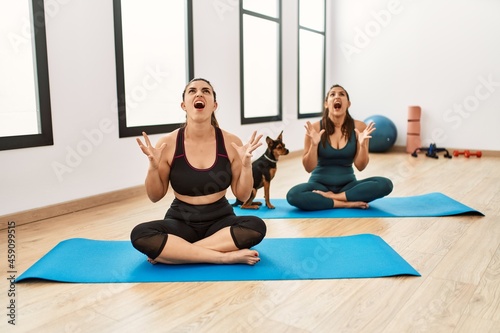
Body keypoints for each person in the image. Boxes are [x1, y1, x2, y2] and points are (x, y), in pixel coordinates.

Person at [131, 78, 266, 265]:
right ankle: (222, 256)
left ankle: (178, 253)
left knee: (256, 226)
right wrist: (153, 168)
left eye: (206, 91)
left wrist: (246, 165)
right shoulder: (168, 143)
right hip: (180, 221)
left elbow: (242, 197)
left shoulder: (230, 142)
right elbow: (155, 196)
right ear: (183, 105)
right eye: (192, 91)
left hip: (220, 221)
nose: (199, 94)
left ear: (214, 105)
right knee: (140, 234)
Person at [286, 84, 393, 211]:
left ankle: (334, 198)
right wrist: (314, 145)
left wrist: (363, 145)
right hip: (318, 186)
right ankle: (345, 203)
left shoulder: (359, 128)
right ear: (326, 104)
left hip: (348, 186)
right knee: (293, 195)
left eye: (341, 94)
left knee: (385, 184)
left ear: (348, 104)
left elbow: (360, 166)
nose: (337, 97)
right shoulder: (314, 129)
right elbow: (308, 168)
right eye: (332, 94)